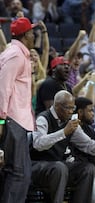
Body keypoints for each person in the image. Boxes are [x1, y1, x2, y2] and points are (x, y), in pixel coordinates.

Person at [30, 90, 95, 203]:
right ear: (57, 106)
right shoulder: (43, 118)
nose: (71, 112)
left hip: (58, 165)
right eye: (68, 108)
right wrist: (64, 132)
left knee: (88, 168)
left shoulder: (70, 122)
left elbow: (89, 146)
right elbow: (38, 144)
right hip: (38, 165)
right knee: (60, 168)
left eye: (73, 108)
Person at [0, 17, 36, 203]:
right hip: (11, 120)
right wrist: (0, 121)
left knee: (21, 173)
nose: (34, 34)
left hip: (17, 121)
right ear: (25, 35)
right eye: (32, 31)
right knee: (18, 173)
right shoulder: (14, 54)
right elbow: (3, 88)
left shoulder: (18, 53)